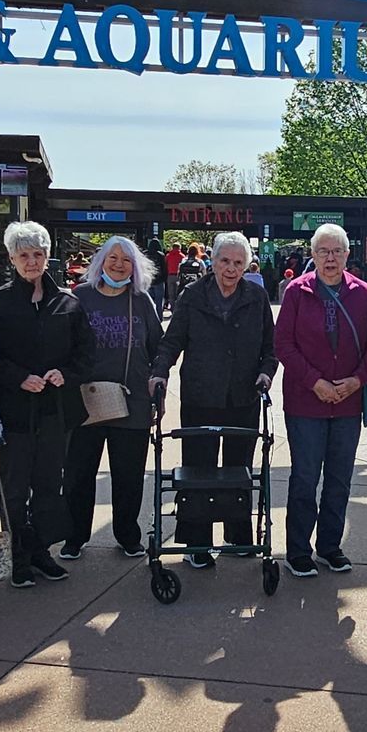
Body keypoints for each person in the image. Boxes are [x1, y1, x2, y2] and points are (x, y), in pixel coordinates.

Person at [149, 230, 277, 569]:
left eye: (238, 262)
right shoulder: (193, 295)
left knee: (238, 471)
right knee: (199, 471)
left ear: (247, 264)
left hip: (243, 395)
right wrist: (159, 372)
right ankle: (198, 541)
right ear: (212, 261)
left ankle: (238, 535)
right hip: (200, 395)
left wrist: (266, 373)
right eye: (224, 261)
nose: (231, 268)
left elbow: (270, 348)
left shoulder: (256, 296)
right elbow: (171, 340)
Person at [0, 221, 93, 588]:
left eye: (38, 254)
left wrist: (67, 373)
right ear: (12, 258)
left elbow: (86, 353)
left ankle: (41, 552)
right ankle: (17, 557)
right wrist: (18, 376)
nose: (31, 261)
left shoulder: (68, 302)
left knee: (49, 486)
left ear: (48, 256)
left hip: (54, 411)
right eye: (24, 255)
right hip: (14, 412)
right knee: (14, 490)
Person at [275, 223, 367, 576]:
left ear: (348, 255)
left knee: (340, 478)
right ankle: (298, 550)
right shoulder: (296, 292)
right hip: (306, 402)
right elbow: (283, 346)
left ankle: (330, 546)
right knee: (305, 477)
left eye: (337, 251)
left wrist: (357, 380)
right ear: (313, 255)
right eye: (323, 251)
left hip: (348, 403)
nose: (330, 258)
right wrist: (314, 382)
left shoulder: (363, 292)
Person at [63, 236, 164, 560]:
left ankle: (127, 535)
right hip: (86, 400)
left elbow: (158, 348)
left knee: (128, 475)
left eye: (126, 260)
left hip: (131, 400)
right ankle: (75, 535)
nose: (119, 265)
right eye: (113, 258)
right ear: (100, 262)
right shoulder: (81, 297)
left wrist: (157, 389)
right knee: (79, 474)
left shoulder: (141, 300)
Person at [165, 241, 185, 308]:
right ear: (179, 248)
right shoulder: (182, 256)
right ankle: (177, 309)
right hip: (178, 276)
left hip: (170, 276)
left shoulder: (168, 256)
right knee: (178, 294)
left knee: (171, 295)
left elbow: (165, 265)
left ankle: (172, 309)